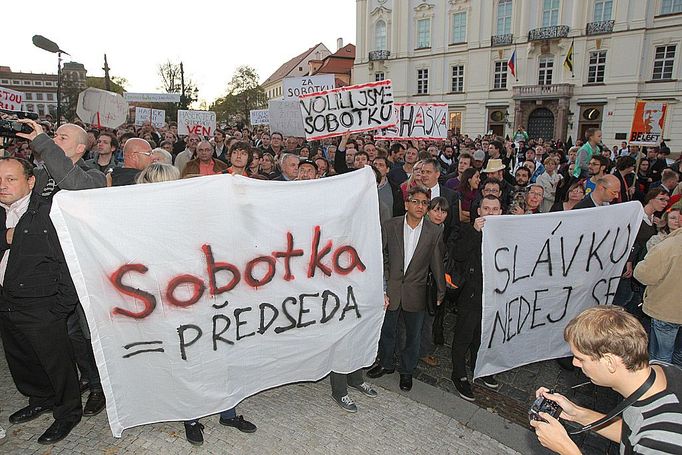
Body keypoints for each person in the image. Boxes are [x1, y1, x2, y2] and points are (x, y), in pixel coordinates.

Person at [0, 158, 82, 444]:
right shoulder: (2, 213)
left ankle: (68, 413)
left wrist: (60, 307)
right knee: (21, 358)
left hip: (42, 304)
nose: (2, 185)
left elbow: (67, 261)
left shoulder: (47, 213)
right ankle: (40, 398)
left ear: (30, 181)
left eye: (10, 179)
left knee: (56, 363)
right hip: (7, 302)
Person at [531, 306, 682, 455]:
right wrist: (576, 414)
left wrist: (566, 449)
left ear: (609, 362)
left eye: (581, 358)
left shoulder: (661, 442)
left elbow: (646, 440)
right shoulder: (660, 370)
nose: (575, 363)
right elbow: (632, 434)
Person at [367, 186, 445, 392]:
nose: (420, 206)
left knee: (412, 334)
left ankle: (407, 371)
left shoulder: (434, 231)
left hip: (417, 291)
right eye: (416, 202)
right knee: (387, 329)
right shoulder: (391, 225)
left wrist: (441, 290)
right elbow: (380, 255)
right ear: (406, 204)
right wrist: (381, 283)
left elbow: (437, 262)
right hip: (391, 288)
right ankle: (385, 363)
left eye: (424, 203)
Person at [449, 195, 502, 401]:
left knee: (482, 334)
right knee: (464, 334)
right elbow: (458, 255)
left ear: (500, 212)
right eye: (486, 208)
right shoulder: (467, 230)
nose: (490, 212)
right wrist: (474, 232)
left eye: (494, 209)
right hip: (471, 293)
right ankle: (459, 374)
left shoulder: (503, 232)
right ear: (479, 211)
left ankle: (477, 366)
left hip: (493, 294)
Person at [635, 219, 682, 366]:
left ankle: (664, 386)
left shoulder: (668, 247)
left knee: (661, 358)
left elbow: (643, 275)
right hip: (671, 312)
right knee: (679, 355)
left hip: (667, 311)